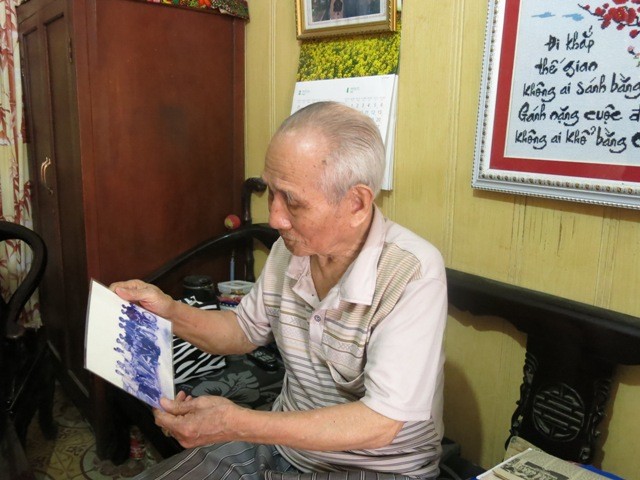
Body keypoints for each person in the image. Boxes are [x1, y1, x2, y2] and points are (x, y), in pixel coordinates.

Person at [111, 101, 447, 480]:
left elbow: (381, 422)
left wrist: (236, 423)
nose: (275, 218)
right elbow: (241, 331)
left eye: (294, 201)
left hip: (377, 470)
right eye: (271, 192)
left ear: (356, 203)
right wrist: (168, 310)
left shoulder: (413, 273)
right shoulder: (291, 250)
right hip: (282, 448)